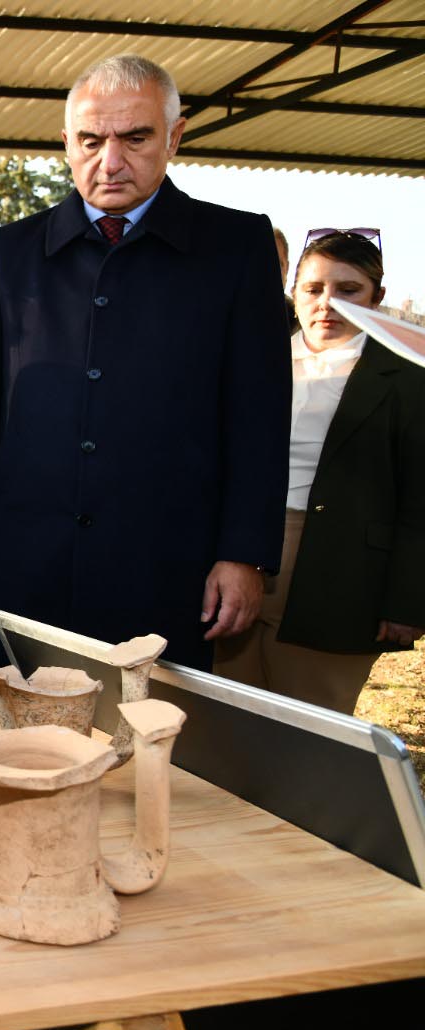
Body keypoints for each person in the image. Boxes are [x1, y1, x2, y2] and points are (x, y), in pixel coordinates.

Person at [0, 54, 289, 671]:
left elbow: (258, 415)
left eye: (135, 138)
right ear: (66, 143)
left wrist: (244, 554)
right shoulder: (11, 252)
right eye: (91, 141)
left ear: (174, 137)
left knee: (149, 726)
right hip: (24, 563)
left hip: (167, 567)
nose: (110, 161)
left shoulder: (235, 247)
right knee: (16, 725)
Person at [215, 230, 425, 711]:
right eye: (313, 288)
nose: (327, 303)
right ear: (294, 291)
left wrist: (408, 600)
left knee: (307, 718)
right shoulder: (253, 356)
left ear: (377, 296)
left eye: (348, 290)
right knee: (224, 712)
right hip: (236, 551)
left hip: (342, 567)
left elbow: (420, 498)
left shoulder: (408, 378)